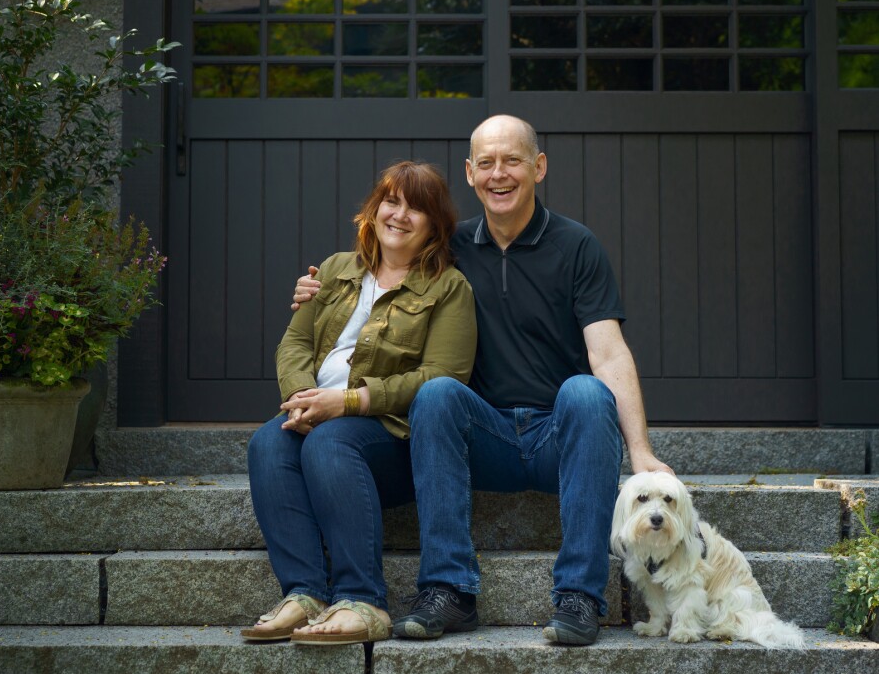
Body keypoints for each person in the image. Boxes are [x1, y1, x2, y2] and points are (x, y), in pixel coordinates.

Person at [293, 115, 672, 646]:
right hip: (482, 433)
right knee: (440, 392)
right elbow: (378, 269)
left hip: (557, 436)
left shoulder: (577, 245)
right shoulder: (450, 248)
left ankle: (580, 596)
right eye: (487, 163)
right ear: (470, 174)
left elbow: (607, 352)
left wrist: (641, 452)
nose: (500, 174)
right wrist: (320, 292)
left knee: (585, 390)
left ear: (537, 167)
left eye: (512, 160)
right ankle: (448, 591)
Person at [243, 160, 477, 646]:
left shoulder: (448, 287)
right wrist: (300, 399)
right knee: (268, 442)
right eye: (392, 201)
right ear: (373, 209)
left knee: (330, 442)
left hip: (388, 432)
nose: (400, 215)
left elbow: (441, 376)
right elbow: (295, 345)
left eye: (417, 208)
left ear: (435, 226)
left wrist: (346, 402)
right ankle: (305, 593)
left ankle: (363, 599)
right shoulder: (332, 270)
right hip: (318, 413)